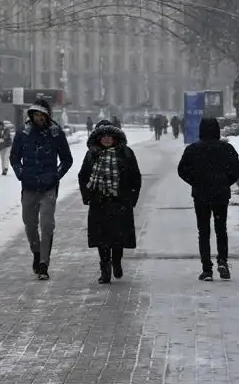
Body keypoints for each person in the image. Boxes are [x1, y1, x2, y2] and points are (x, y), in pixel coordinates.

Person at [10, 98, 73, 280]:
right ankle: (36, 252)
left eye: (41, 115)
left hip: (48, 187)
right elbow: (14, 158)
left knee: (47, 225)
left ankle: (44, 262)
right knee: (30, 225)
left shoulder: (55, 134)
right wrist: (20, 173)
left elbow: (67, 160)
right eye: (35, 114)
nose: (38, 118)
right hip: (29, 186)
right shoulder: (23, 133)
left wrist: (56, 175)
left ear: (47, 115)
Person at [177, 117, 239, 281]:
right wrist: (225, 182)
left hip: (201, 195)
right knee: (221, 229)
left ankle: (207, 268)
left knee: (204, 231)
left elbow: (182, 170)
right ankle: (223, 261)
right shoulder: (226, 148)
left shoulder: (193, 149)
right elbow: (236, 169)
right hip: (220, 194)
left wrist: (195, 181)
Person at [78, 119, 142, 284]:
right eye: (103, 136)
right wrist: (87, 195)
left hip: (120, 202)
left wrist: (131, 199)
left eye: (109, 136)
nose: (106, 139)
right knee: (101, 238)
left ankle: (116, 261)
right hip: (99, 202)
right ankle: (105, 268)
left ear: (115, 138)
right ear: (98, 138)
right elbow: (83, 176)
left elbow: (135, 177)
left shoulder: (126, 153)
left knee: (118, 238)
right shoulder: (92, 155)